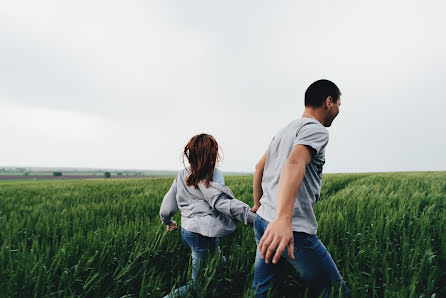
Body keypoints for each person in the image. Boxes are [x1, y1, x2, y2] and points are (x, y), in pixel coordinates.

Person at [251, 79, 351, 297]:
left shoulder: (284, 130)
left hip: (263, 221)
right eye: (339, 104)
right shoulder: (316, 130)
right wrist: (284, 220)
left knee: (263, 290)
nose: (338, 110)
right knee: (335, 291)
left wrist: (258, 204)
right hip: (292, 228)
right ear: (328, 102)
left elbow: (259, 167)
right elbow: (295, 162)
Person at [160, 133, 256, 298]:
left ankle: (224, 271)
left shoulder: (183, 174)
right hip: (202, 233)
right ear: (212, 154)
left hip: (189, 230)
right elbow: (222, 202)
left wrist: (168, 221)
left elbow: (167, 205)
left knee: (217, 257)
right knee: (197, 285)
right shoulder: (213, 175)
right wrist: (255, 218)